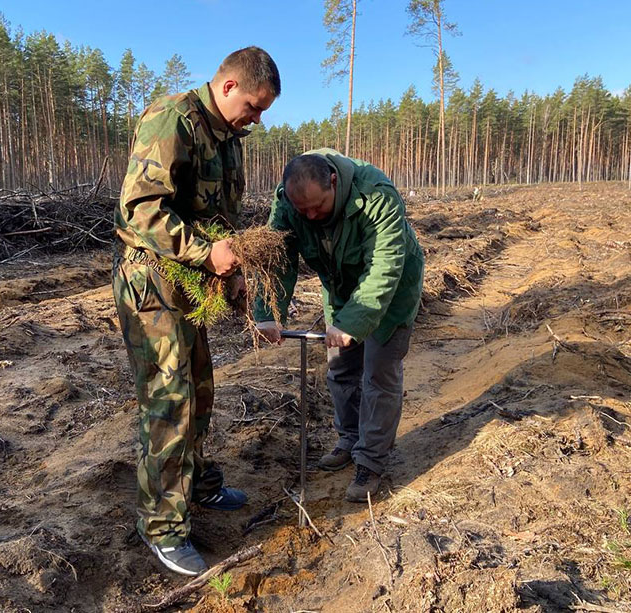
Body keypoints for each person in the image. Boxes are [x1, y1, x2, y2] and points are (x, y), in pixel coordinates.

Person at [112, 47, 280, 576]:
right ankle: (163, 526)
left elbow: (220, 216)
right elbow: (140, 209)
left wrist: (229, 271)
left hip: (192, 285)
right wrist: (207, 253)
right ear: (228, 87)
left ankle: (198, 485)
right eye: (254, 107)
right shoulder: (173, 119)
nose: (257, 120)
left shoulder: (230, 138)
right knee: (171, 402)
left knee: (201, 389)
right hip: (154, 281)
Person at [254, 149, 424, 502]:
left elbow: (383, 266)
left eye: (318, 206)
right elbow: (279, 259)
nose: (312, 216)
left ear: (333, 181)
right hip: (340, 286)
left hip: (391, 290)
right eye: (304, 212)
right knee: (341, 369)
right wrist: (269, 311)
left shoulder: (375, 194)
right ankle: (349, 439)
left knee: (378, 373)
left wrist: (353, 323)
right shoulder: (288, 203)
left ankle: (371, 461)